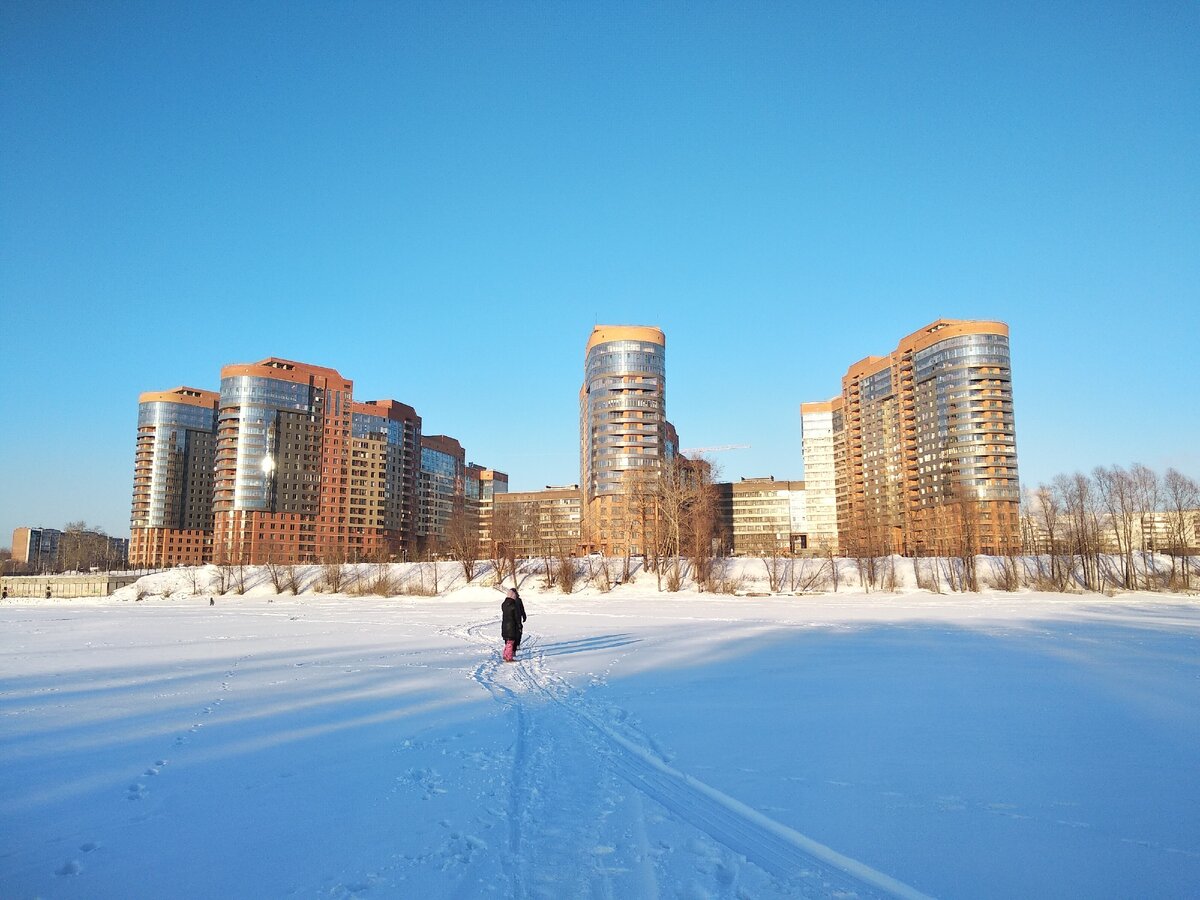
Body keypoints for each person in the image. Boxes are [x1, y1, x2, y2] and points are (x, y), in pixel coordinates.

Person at [500, 587, 527, 662]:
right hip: (512, 626)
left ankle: (506, 655)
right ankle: (509, 657)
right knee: (511, 642)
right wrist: (519, 625)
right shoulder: (513, 605)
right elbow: (517, 616)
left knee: (508, 641)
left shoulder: (504, 604)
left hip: (505, 625)